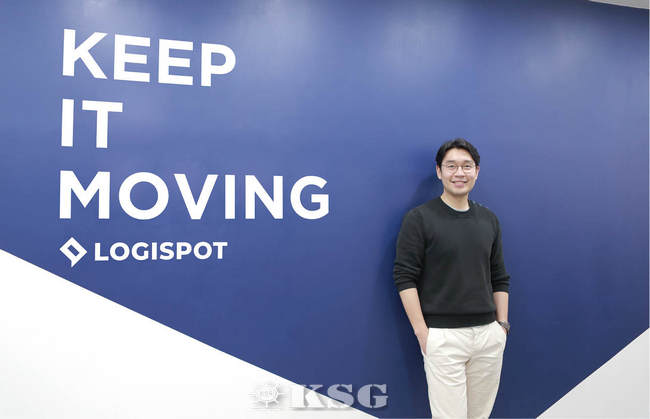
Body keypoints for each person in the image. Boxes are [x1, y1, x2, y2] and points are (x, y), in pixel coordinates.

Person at [393, 138, 510, 419]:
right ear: (439, 171)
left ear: (477, 171)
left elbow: (499, 276)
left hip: (488, 336)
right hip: (443, 338)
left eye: (467, 166)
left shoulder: (489, 220)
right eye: (451, 166)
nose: (459, 173)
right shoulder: (419, 219)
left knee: (479, 416)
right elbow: (404, 277)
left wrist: (502, 326)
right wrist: (422, 333)